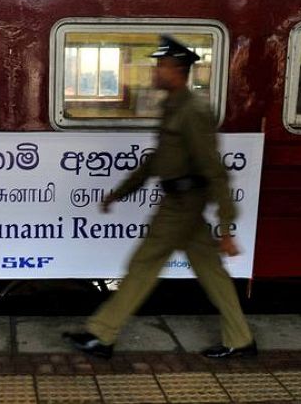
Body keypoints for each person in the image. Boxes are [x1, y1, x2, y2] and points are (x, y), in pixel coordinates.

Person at [63, 35, 256, 359]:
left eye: (160, 65)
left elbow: (214, 169)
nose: (154, 71)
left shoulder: (193, 110)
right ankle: (241, 339)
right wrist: (120, 193)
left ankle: (102, 335)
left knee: (143, 264)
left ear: (177, 70)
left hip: (182, 204)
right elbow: (157, 160)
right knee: (212, 272)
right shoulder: (173, 106)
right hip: (183, 205)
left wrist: (226, 227)